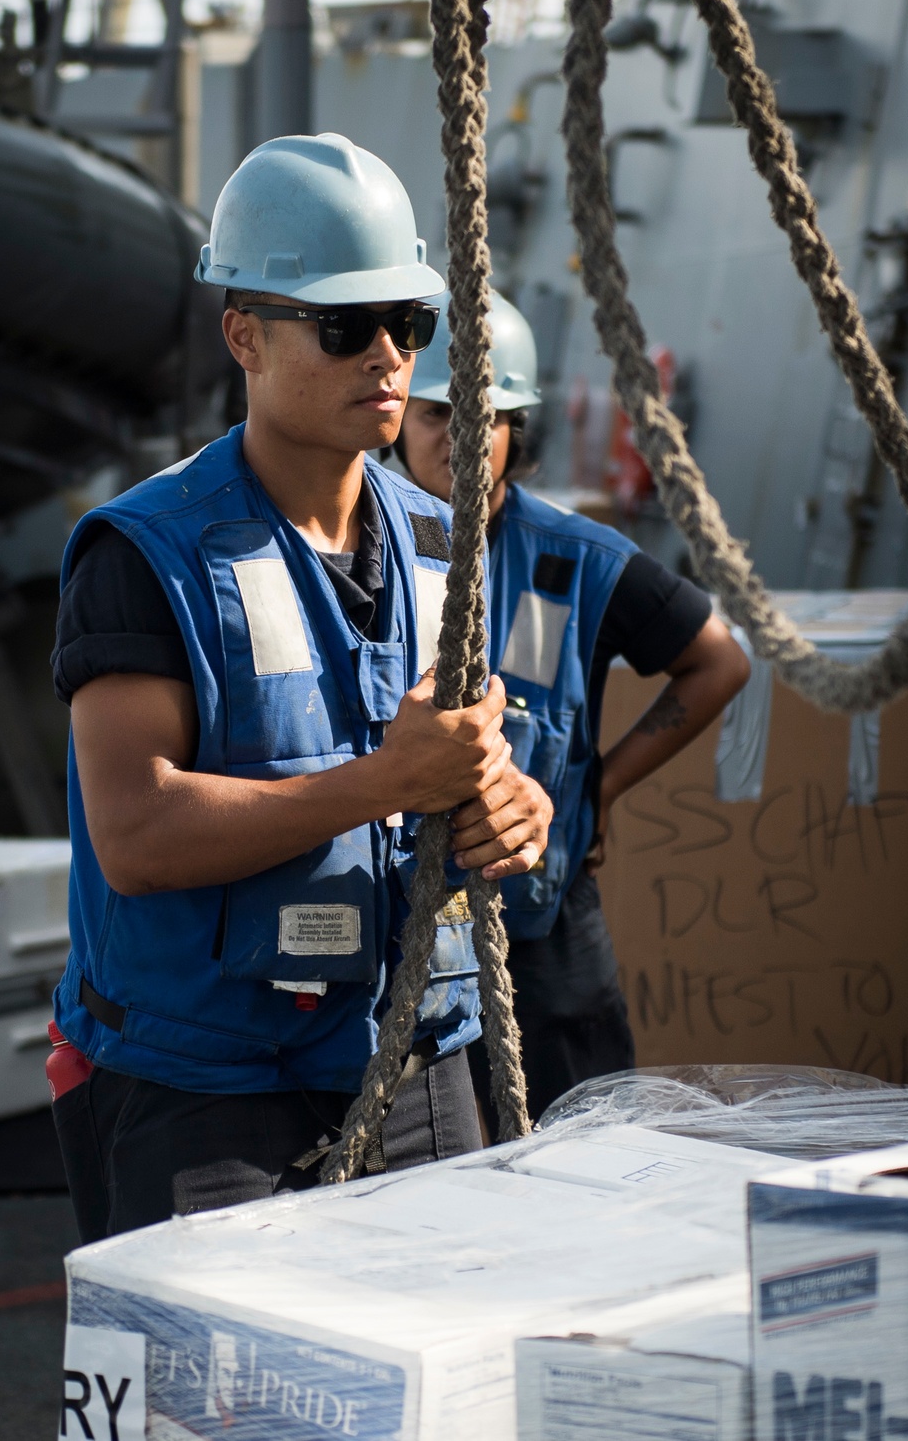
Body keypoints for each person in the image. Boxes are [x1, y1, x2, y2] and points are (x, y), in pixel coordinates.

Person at [49, 135, 552, 1243]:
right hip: (211, 1099)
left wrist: (511, 802)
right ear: (245, 335)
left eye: (407, 325)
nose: (386, 355)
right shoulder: (147, 556)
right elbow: (134, 833)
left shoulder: (438, 539)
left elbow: (469, 746)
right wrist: (386, 781)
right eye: (344, 325)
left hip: (421, 1060)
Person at [396, 290, 751, 1128]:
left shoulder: (578, 560)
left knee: (584, 1132)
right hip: (400, 922)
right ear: (399, 420)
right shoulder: (355, 549)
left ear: (519, 431)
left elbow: (719, 663)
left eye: (486, 414)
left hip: (541, 919)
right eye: (437, 411)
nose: (459, 435)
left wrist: (599, 793)